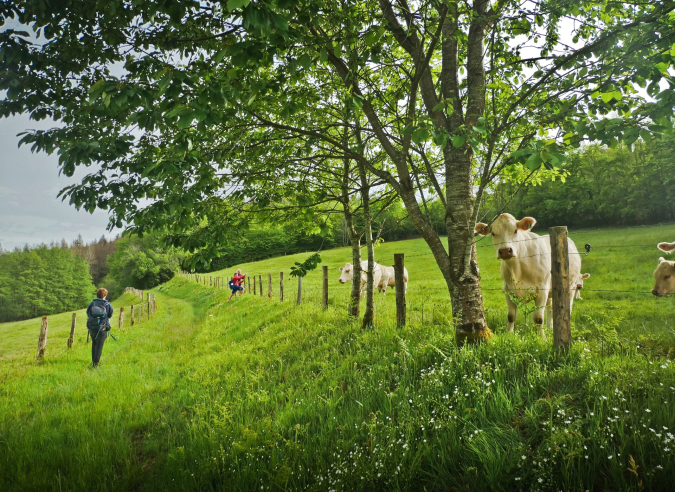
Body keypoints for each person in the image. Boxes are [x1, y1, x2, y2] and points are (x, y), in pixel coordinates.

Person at [86, 288, 113, 368]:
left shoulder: (92, 303)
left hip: (92, 327)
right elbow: (110, 315)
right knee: (99, 345)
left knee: (94, 343)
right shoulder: (107, 304)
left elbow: (88, 313)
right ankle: (95, 364)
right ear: (105, 295)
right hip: (102, 327)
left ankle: (93, 362)